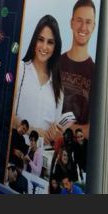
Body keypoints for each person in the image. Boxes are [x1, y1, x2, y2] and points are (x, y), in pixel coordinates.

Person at [12, 15, 64, 144]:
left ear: (55, 47)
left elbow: (54, 131)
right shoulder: (19, 70)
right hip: (15, 150)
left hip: (42, 154)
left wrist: (54, 134)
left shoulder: (58, 86)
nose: (44, 47)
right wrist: (31, 130)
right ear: (34, 40)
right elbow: (6, 114)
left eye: (50, 42)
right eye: (41, 39)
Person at [60, 0, 96, 139]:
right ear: (71, 23)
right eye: (79, 20)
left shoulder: (96, 74)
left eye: (88, 22)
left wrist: (62, 129)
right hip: (48, 144)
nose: (83, 27)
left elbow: (93, 130)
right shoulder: (55, 63)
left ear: (94, 27)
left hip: (79, 148)